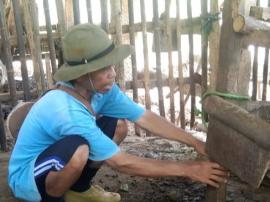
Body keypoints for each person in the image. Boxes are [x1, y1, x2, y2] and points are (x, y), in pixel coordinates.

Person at [8, 23, 227, 202]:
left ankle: (79, 189)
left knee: (116, 124)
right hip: (28, 176)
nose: (112, 73)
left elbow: (145, 117)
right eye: (103, 69)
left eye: (111, 66)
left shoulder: (101, 89)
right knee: (79, 150)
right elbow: (121, 162)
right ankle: (55, 197)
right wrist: (187, 169)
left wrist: (194, 142)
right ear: (81, 75)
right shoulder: (66, 109)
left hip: (57, 155)